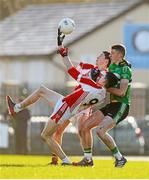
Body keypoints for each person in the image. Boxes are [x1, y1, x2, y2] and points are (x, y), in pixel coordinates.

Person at [6, 31, 112, 165]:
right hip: (70, 102)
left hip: (75, 106)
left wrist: (64, 54)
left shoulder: (101, 77)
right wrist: (62, 50)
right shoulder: (96, 76)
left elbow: (72, 70)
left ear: (106, 61)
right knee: (42, 92)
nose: (97, 58)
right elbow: (71, 66)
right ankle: (16, 108)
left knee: (81, 130)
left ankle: (84, 158)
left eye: (100, 56)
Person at [73, 44, 132, 167]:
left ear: (120, 55)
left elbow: (121, 92)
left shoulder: (125, 70)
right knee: (84, 127)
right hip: (111, 105)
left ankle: (119, 158)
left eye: (113, 53)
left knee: (100, 131)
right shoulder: (111, 67)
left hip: (121, 105)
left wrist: (103, 87)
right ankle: (88, 160)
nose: (110, 55)